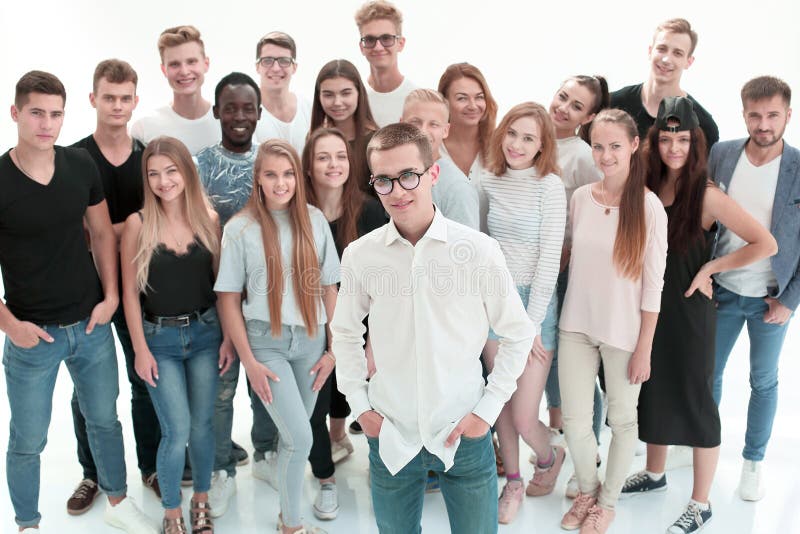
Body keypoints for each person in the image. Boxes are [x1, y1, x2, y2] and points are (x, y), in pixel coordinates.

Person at [332, 122, 535, 533]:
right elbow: (346, 333)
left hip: (465, 433)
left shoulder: (478, 251)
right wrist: (361, 406)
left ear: (433, 174)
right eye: (384, 181)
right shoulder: (360, 255)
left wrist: (487, 411)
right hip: (391, 435)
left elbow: (518, 333)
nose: (398, 191)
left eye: (409, 175)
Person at [0, 70, 156, 533]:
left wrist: (110, 297)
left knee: (105, 420)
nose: (46, 123)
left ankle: (118, 500)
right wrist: (9, 325)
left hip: (90, 327)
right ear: (16, 114)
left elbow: (104, 234)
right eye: (36, 113)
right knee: (28, 439)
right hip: (33, 336)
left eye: (55, 114)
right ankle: (27, 523)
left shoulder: (80, 165)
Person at [620, 96, 777, 534]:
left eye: (683, 139)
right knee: (651, 390)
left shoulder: (706, 194)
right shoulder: (646, 184)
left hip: (690, 312)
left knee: (696, 402)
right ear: (655, 141)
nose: (674, 147)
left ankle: (701, 503)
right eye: (667, 138)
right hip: (648, 308)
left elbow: (765, 243)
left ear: (696, 143)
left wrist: (712, 266)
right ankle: (654, 474)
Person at [215, 139, 340, 534]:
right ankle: (292, 526)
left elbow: (330, 287)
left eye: (287, 174)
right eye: (271, 174)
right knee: (300, 439)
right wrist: (249, 362)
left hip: (311, 342)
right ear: (258, 180)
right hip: (265, 344)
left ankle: (288, 521)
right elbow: (228, 299)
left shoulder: (315, 220)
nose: (281, 182)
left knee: (294, 440)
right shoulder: (240, 228)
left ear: (297, 178)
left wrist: (335, 349)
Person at [558, 109, 668, 534]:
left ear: (634, 145)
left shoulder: (649, 208)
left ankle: (607, 503)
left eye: (615, 146)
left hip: (624, 333)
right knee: (575, 420)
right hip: (575, 327)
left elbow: (654, 286)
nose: (605, 155)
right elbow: (570, 258)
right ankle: (587, 490)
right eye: (598, 146)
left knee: (623, 421)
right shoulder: (581, 198)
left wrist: (644, 347)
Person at [67, 59, 161, 515]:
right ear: (93, 100)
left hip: (143, 289)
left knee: (145, 379)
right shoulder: (73, 159)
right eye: (109, 97)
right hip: (91, 292)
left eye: (126, 98)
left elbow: (161, 225)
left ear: (135, 102)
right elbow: (75, 232)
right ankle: (93, 473)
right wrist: (127, 228)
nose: (117, 106)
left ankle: (152, 466)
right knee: (88, 391)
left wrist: (108, 229)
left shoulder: (149, 159)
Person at [121, 137, 228, 534]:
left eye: (171, 171)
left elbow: (223, 287)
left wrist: (229, 339)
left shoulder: (209, 219)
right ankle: (171, 510)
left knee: (203, 426)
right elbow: (130, 294)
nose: (164, 181)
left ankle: (200, 499)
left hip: (205, 335)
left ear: (186, 171)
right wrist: (139, 350)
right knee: (176, 428)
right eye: (154, 174)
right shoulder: (138, 224)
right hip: (159, 342)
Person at [709, 75, 800, 502]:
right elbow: (704, 219)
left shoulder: (798, 167)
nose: (763, 124)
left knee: (763, 381)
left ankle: (753, 462)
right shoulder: (722, 154)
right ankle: (702, 447)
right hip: (723, 289)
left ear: (788, 115)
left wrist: (789, 300)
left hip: (771, 298)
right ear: (743, 113)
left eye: (772, 115)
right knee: (708, 374)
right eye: (755, 115)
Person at [480, 103, 566, 524]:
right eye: (512, 133)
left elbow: (550, 261)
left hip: (535, 305)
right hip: (494, 301)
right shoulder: (487, 178)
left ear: (542, 145)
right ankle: (513, 482)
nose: (517, 144)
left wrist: (529, 326)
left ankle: (550, 456)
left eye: (529, 138)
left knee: (524, 414)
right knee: (499, 405)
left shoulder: (549, 186)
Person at [195, 71, 262, 517]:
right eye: (231, 107)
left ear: (259, 113)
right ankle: (220, 470)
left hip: (264, 295)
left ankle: (270, 452)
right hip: (213, 295)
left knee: (266, 382)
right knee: (220, 390)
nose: (239, 116)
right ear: (217, 111)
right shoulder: (199, 164)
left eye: (248, 108)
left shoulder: (272, 160)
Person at [545, 75, 608, 498]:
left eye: (577, 106)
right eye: (563, 96)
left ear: (588, 118)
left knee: (577, 369)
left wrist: (568, 259)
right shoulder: (529, 136)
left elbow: (594, 216)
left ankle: (590, 452)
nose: (565, 108)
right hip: (531, 271)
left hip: (566, 271)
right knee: (549, 364)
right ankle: (560, 443)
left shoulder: (584, 157)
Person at [610, 18, 718, 149]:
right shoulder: (612, 105)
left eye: (677, 53)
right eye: (662, 49)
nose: (667, 59)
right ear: (650, 51)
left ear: (689, 61)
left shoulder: (704, 125)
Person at [131, 25, 220, 155]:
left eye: (191, 62)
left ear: (206, 64)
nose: (184, 71)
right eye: (174, 64)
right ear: (164, 70)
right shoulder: (145, 129)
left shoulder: (227, 123)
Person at [401, 88, 479, 229]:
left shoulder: (457, 188)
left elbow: (467, 247)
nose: (423, 131)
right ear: (400, 124)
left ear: (445, 130)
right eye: (415, 122)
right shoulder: (394, 173)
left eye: (434, 124)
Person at [437, 62, 498, 232]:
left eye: (479, 97)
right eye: (462, 98)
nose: (473, 105)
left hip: (491, 252)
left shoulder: (500, 147)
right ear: (445, 101)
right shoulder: (433, 149)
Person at [309, 59, 379, 194]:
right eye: (328, 95)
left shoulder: (376, 141)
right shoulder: (314, 138)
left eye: (346, 93)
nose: (337, 102)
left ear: (359, 93)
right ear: (319, 97)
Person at [355, 0, 417, 127]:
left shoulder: (416, 99)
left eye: (386, 38)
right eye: (370, 39)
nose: (378, 47)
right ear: (362, 47)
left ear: (401, 43)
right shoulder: (354, 99)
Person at [253, 31, 312, 155]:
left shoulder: (308, 108)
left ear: (294, 67)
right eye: (267, 61)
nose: (275, 68)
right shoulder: (246, 113)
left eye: (284, 61)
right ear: (257, 67)